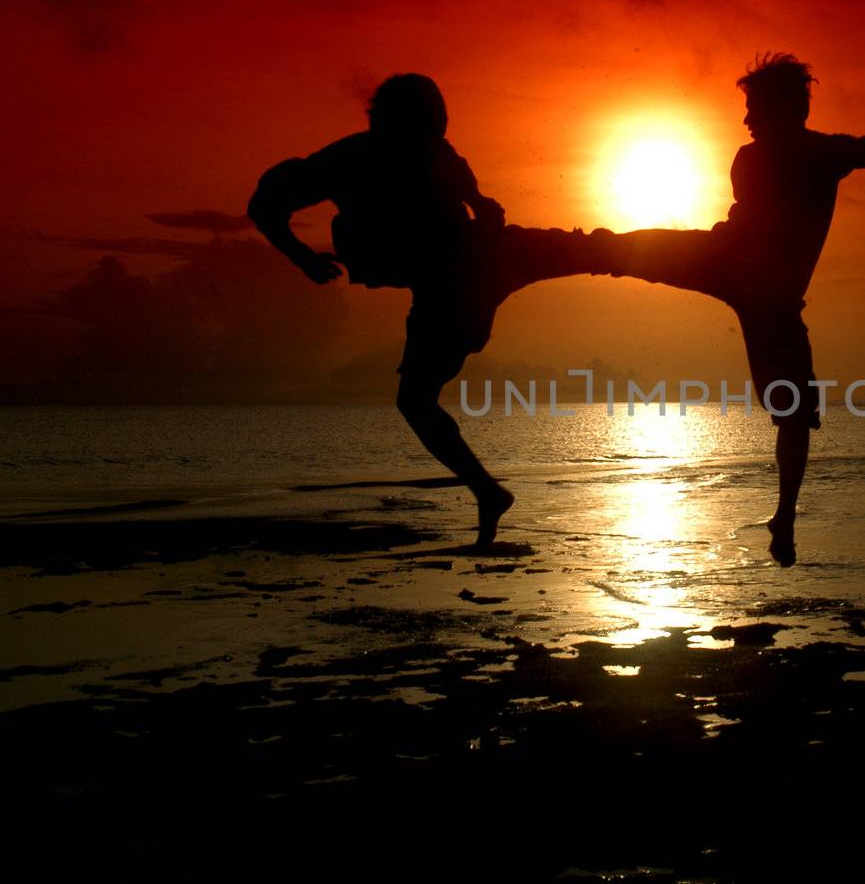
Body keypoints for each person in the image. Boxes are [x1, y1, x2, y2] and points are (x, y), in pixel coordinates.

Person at [247, 73, 610, 548]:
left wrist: (303, 257)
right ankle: (487, 491)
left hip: (472, 274)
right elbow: (266, 200)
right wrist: (301, 256)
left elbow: (484, 211)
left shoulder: (399, 156)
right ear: (407, 121)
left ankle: (486, 491)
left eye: (436, 127)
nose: (433, 134)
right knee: (415, 400)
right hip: (460, 283)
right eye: (431, 124)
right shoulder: (359, 158)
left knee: (596, 251)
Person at [608, 53, 865, 566]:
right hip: (734, 266)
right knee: (629, 250)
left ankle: (784, 515)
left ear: (784, 109)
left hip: (767, 295)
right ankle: (550, 251)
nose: (746, 120)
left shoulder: (822, 152)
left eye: (754, 109)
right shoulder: (764, 157)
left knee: (796, 413)